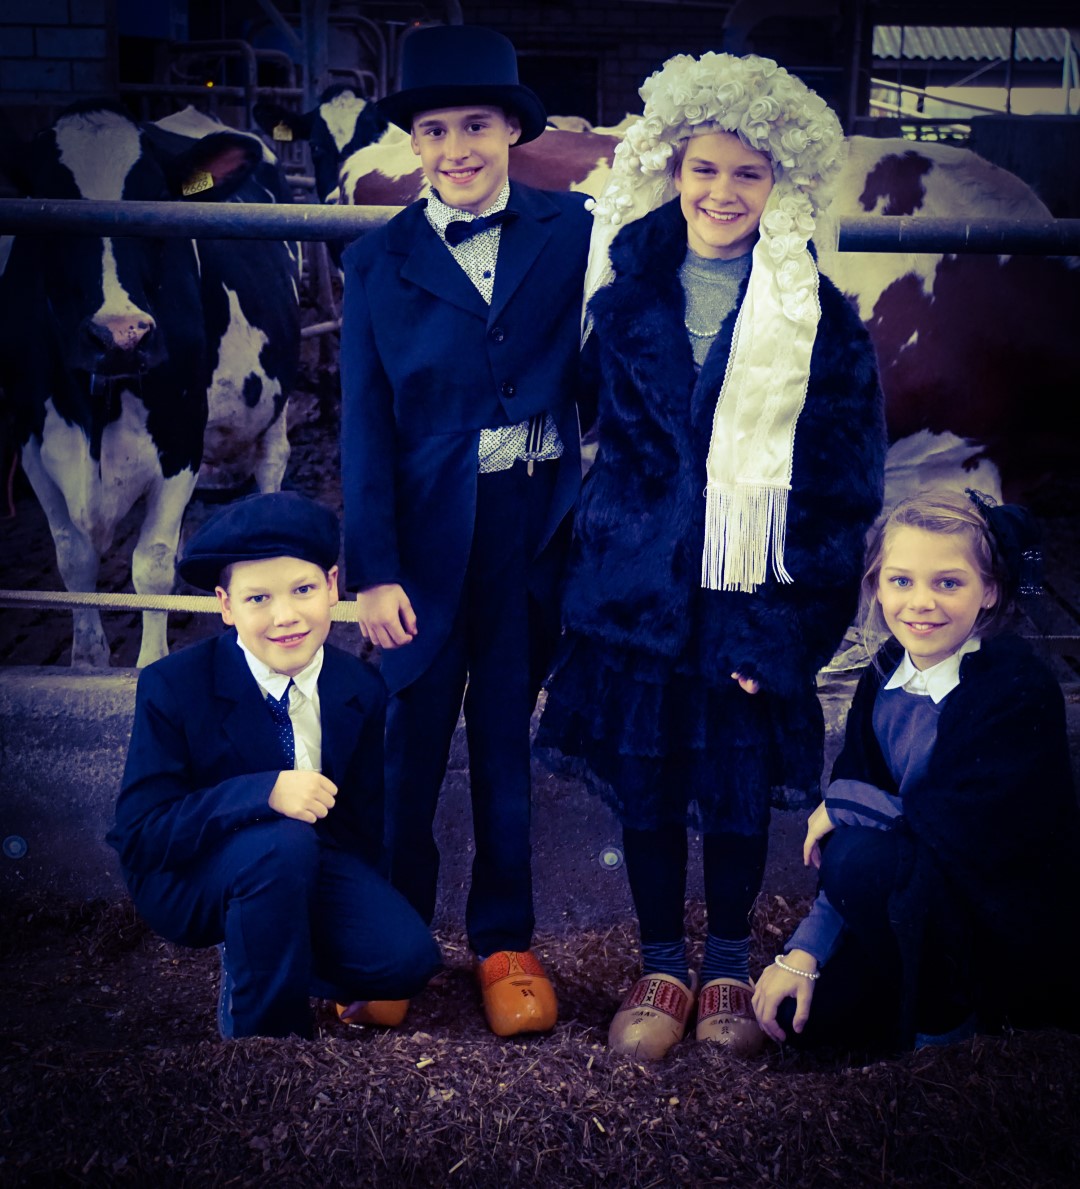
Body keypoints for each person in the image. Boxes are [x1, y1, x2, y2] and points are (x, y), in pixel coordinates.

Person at [535, 51, 886, 1061]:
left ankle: (727, 959)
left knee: (735, 787)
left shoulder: (819, 320)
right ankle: (660, 963)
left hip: (751, 599)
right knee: (647, 786)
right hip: (638, 593)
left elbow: (843, 489)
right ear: (673, 171)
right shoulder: (620, 295)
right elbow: (580, 421)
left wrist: (792, 631)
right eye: (705, 169)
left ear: (781, 185)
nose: (723, 192)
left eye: (748, 173)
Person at [338, 24, 593, 1037]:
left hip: (529, 524)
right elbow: (363, 426)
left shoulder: (574, 230)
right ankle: (394, 940)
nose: (457, 148)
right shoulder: (376, 261)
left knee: (502, 742)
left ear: (513, 130)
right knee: (408, 744)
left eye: (477, 125)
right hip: (422, 539)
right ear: (414, 142)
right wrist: (373, 571)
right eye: (436, 130)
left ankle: (505, 940)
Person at [752, 489, 1078, 1053]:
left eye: (948, 583)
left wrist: (847, 805)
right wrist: (806, 950)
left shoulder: (1016, 687)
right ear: (876, 585)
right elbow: (861, 817)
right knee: (811, 1025)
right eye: (901, 580)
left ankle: (951, 1021)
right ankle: (909, 994)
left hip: (997, 933)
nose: (920, 602)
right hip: (917, 907)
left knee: (857, 856)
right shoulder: (883, 675)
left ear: (989, 591)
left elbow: (964, 831)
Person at [107, 492, 441, 1040]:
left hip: (304, 862)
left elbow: (359, 827)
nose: (285, 617)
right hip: (189, 871)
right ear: (226, 606)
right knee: (278, 846)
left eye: (303, 590)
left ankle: (262, 948)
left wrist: (365, 910)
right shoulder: (173, 685)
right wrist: (264, 792)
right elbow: (141, 835)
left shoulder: (359, 687)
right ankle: (265, 1039)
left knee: (406, 960)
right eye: (258, 598)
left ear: (332, 586)